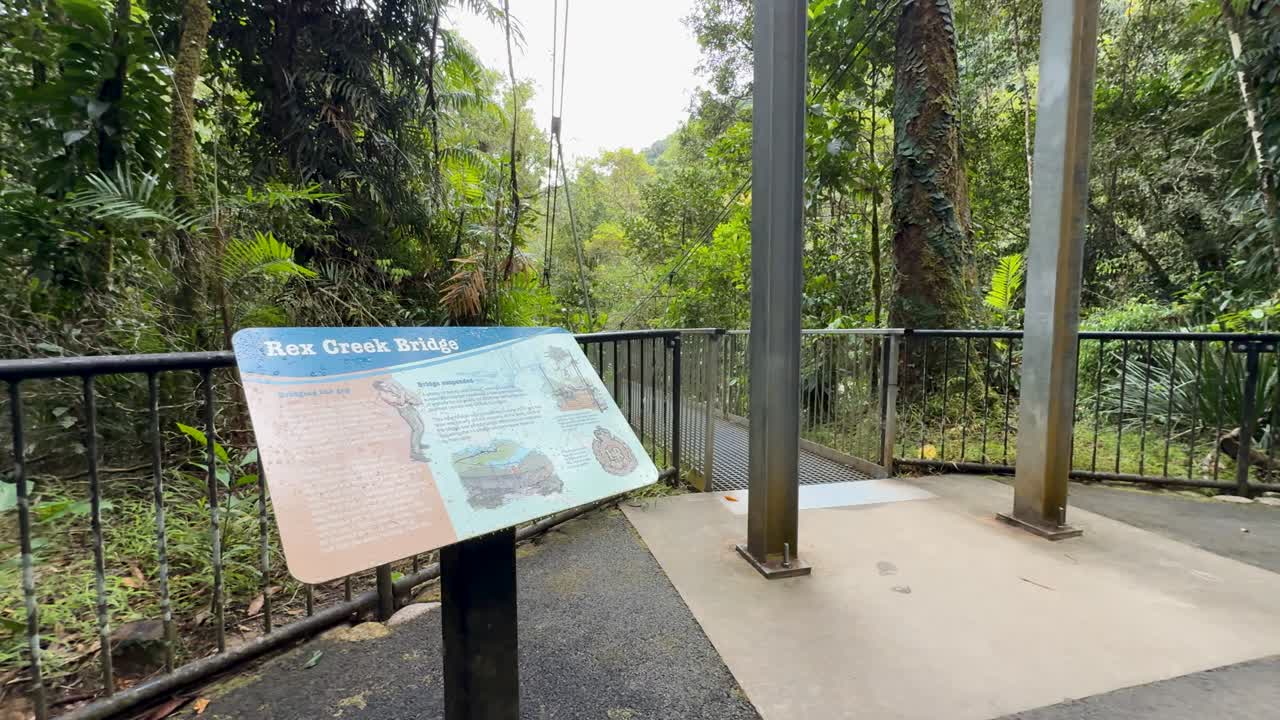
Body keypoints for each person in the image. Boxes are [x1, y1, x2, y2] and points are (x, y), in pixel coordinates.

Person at [373, 379, 429, 462]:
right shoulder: (384, 395)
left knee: (421, 426)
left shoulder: (388, 390)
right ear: (379, 388)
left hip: (409, 407)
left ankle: (416, 444)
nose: (386, 386)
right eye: (383, 385)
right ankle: (415, 452)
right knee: (417, 428)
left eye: (385, 384)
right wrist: (403, 393)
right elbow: (401, 402)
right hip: (405, 410)